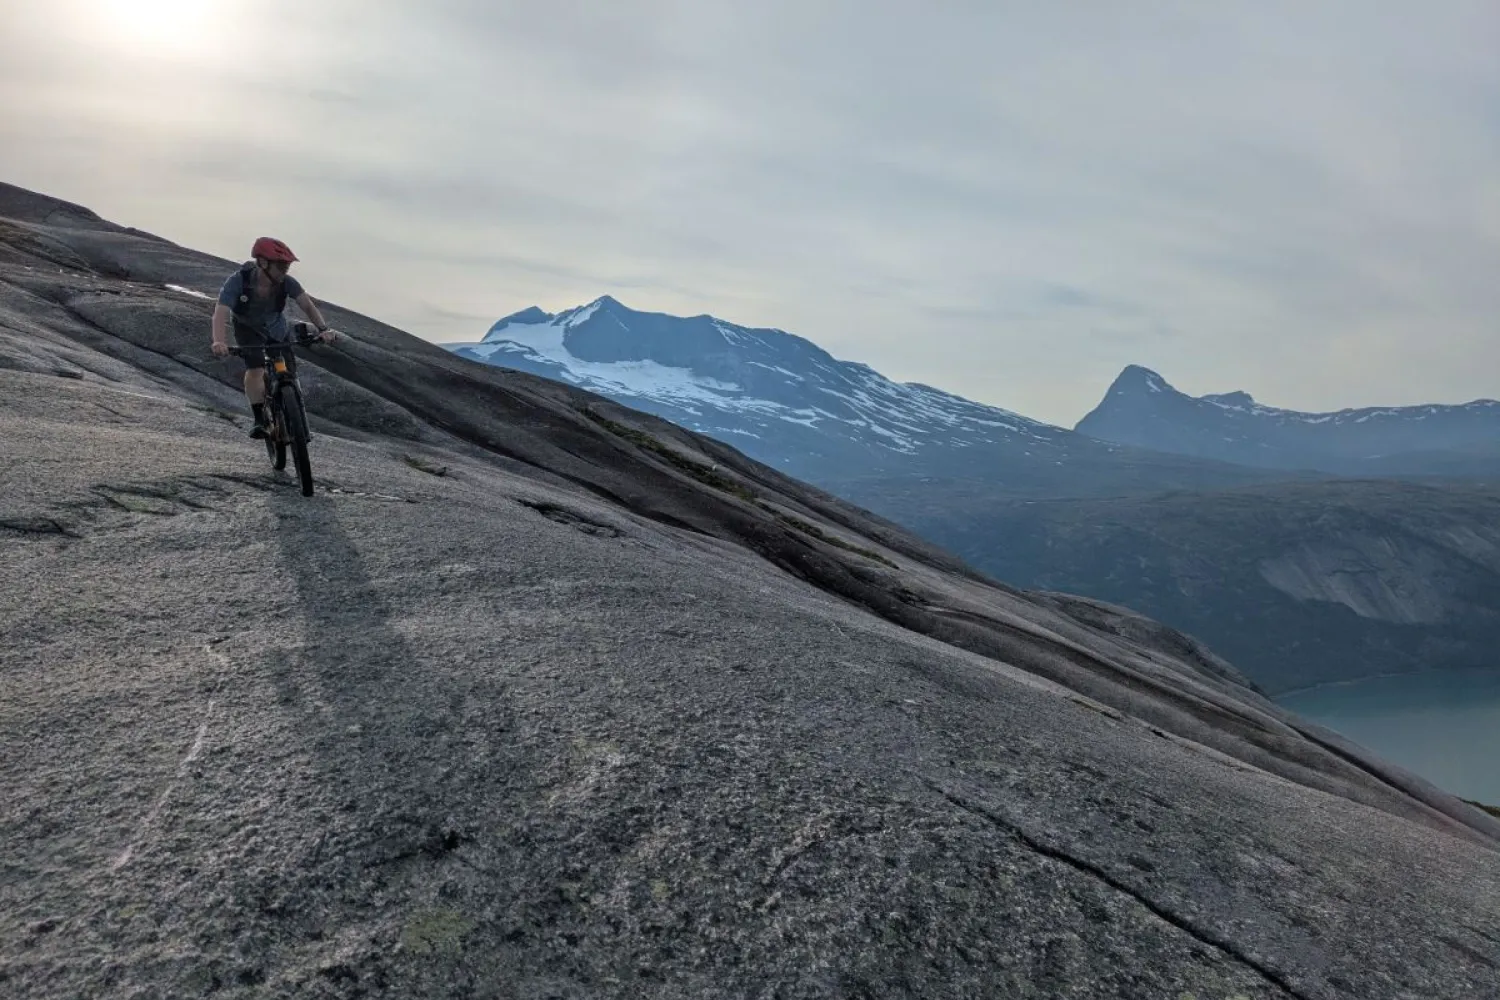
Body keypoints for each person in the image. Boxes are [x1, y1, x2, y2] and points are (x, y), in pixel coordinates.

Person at [210, 237, 337, 437]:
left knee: (289, 373)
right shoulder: (238, 281)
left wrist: (323, 328)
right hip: (247, 329)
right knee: (256, 369)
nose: (285, 271)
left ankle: (299, 419)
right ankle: (260, 419)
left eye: (286, 267)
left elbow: (307, 305)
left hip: (276, 328)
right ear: (263, 263)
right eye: (281, 266)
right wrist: (219, 341)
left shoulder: (287, 283)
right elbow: (221, 311)